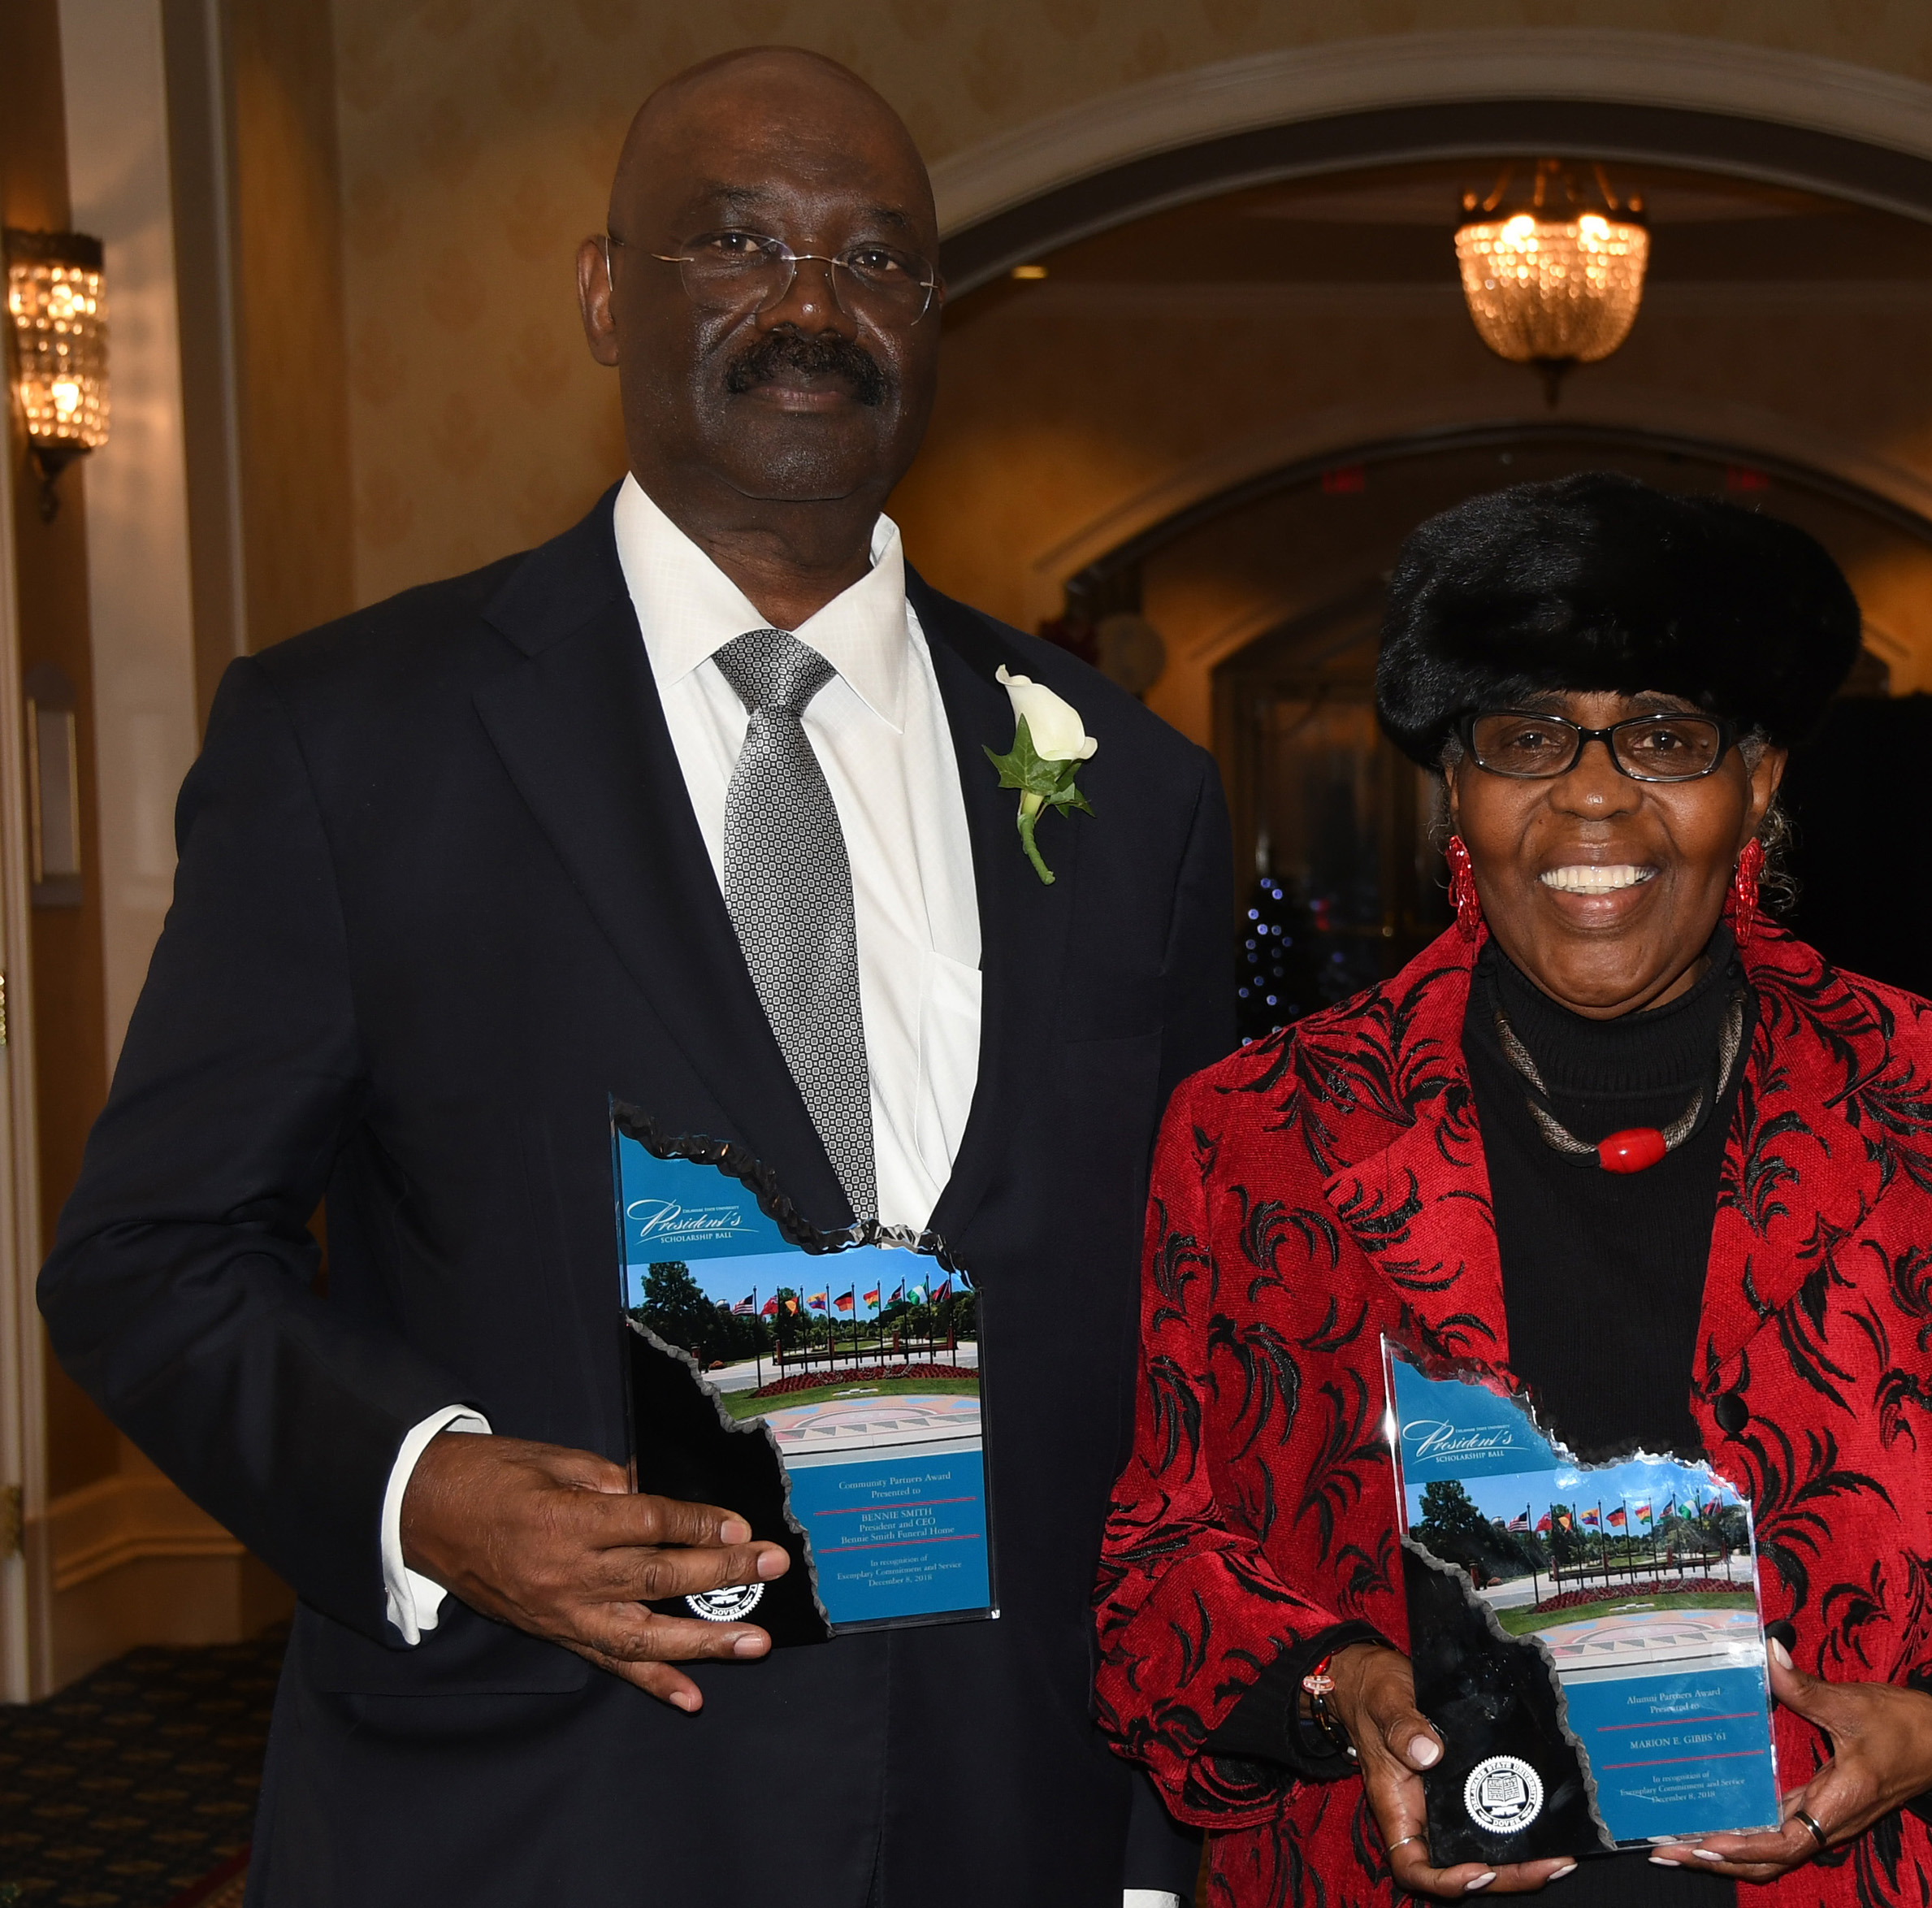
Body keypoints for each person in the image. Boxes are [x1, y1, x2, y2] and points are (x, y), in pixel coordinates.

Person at [36, 48, 1232, 1906]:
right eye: (737, 243)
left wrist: (1157, 1829)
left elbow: (1183, 1331)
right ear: (609, 294)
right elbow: (149, 1256)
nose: (814, 310)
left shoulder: (1121, 778)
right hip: (542, 1806)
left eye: (878, 261)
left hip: (1010, 1806)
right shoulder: (356, 743)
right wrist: (425, 1490)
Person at [1095, 472, 1932, 1902]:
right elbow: (1160, 1564)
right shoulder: (1264, 1130)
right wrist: (1336, 1688)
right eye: (1526, 737)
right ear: (1458, 790)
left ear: (1760, 782)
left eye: (1663, 738)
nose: (1593, 795)